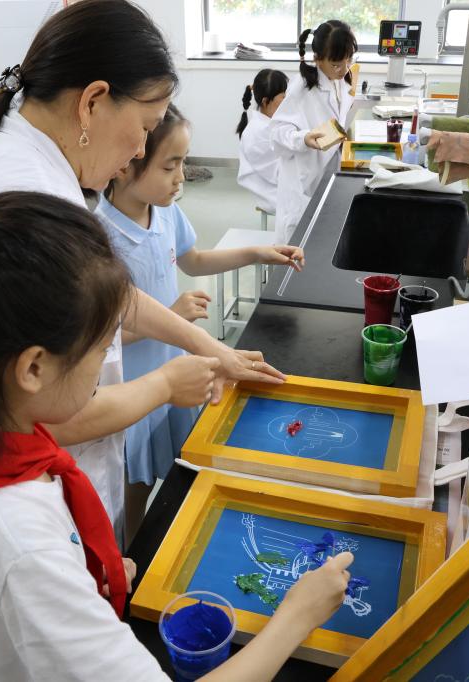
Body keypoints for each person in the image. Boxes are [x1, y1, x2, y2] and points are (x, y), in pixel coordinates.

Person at [0, 191, 353, 681]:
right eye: (103, 349)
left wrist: (80, 571)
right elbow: (27, 564)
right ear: (33, 368)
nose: (106, 363)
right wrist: (297, 617)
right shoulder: (20, 546)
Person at [0, 0, 285, 544]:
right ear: (92, 102)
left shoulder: (44, 168)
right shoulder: (28, 196)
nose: (139, 150)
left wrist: (210, 347)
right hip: (45, 506)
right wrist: (165, 383)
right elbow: (58, 413)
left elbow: (105, 291)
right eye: (145, 127)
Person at [97, 104, 304, 533]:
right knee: (136, 485)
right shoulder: (100, 236)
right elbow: (102, 335)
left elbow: (194, 260)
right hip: (135, 385)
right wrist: (172, 315)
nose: (181, 177)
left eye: (183, 163)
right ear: (124, 164)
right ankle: (131, 556)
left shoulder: (165, 211)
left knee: (181, 465)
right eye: (169, 166)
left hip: (177, 372)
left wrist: (257, 253)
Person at [270, 21, 358, 243]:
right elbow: (277, 131)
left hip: (327, 171)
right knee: (297, 243)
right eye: (336, 64)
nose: (344, 69)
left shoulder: (339, 80)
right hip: (303, 180)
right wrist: (303, 138)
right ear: (317, 59)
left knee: (322, 241)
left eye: (349, 60)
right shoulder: (302, 87)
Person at [236, 69, 289, 213]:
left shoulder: (270, 123)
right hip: (273, 194)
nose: (287, 102)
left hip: (281, 183)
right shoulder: (257, 133)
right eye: (283, 97)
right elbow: (278, 174)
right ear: (266, 102)